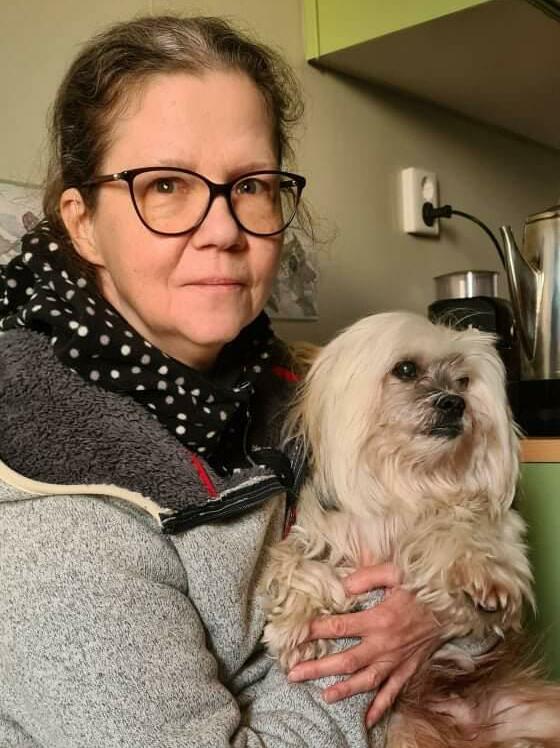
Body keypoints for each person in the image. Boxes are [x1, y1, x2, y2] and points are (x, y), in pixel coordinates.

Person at [0, 15, 441, 747]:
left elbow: (455, 550)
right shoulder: (53, 525)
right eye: (166, 184)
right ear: (82, 223)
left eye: (251, 185)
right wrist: (381, 621)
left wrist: (434, 607)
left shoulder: (293, 388)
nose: (224, 229)